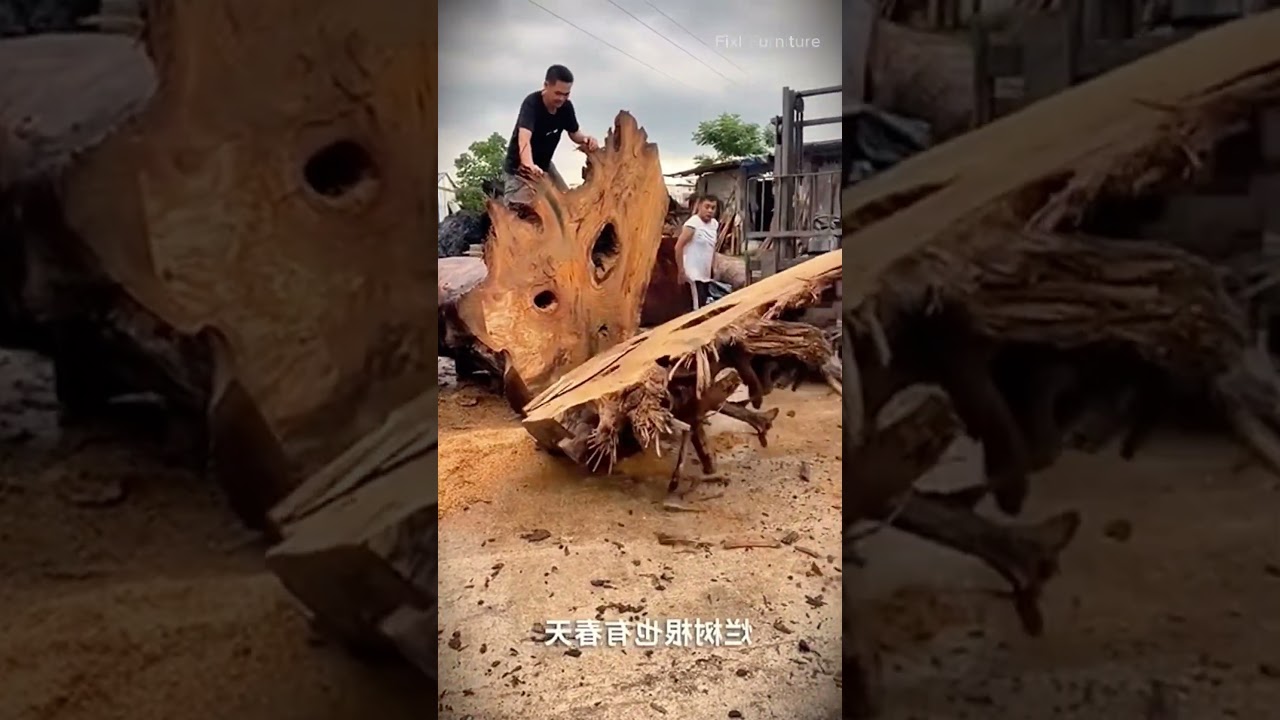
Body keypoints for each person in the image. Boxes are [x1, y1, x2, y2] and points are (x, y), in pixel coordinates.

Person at [501, 64, 599, 207]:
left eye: (566, 94)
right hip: (520, 170)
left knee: (568, 204)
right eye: (558, 93)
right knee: (518, 213)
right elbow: (524, 140)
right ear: (546, 85)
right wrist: (529, 165)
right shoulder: (532, 104)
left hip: (545, 167)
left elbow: (574, 133)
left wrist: (586, 139)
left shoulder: (566, 107)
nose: (561, 98)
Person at [675, 195, 729, 310]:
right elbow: (678, 247)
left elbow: (712, 248)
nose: (710, 211)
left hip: (705, 274)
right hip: (693, 274)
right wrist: (681, 270)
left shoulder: (714, 224)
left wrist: (713, 267)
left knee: (703, 305)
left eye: (713, 208)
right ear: (699, 206)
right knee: (696, 309)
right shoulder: (693, 224)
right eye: (707, 207)